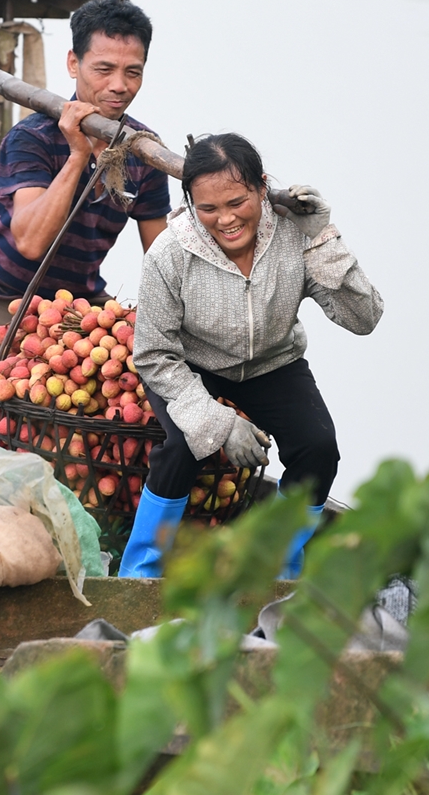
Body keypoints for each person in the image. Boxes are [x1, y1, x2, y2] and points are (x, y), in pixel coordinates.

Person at [120, 134, 384, 579]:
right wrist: (220, 423)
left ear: (262, 187)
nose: (225, 220)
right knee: (182, 448)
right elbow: (153, 355)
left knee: (317, 448)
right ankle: (140, 573)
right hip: (188, 365)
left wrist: (322, 237)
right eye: (209, 209)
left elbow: (364, 317)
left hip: (272, 363)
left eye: (237, 202)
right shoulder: (171, 253)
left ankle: (276, 569)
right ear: (190, 203)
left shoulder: (294, 236)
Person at [0, 0, 172, 438]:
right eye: (104, 69)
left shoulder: (143, 152)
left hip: (78, 303)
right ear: (73, 63)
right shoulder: (31, 138)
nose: (119, 85)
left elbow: (163, 256)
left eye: (133, 72)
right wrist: (78, 154)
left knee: (140, 386)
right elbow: (32, 242)